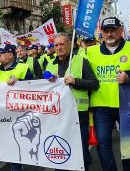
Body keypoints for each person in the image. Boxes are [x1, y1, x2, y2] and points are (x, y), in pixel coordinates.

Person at [87, 17, 130, 171]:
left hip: (128, 105)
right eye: (106, 31)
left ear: (121, 30)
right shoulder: (90, 51)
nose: (110, 34)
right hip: (101, 106)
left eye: (113, 30)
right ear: (101, 33)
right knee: (103, 143)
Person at [45, 33, 99, 171]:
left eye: (62, 44)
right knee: (61, 152)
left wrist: (76, 82)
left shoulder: (81, 61)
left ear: (70, 44)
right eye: (56, 45)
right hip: (58, 117)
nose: (59, 48)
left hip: (78, 116)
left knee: (80, 150)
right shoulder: (49, 64)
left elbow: (94, 84)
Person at [0, 44, 32, 171]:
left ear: (10, 55)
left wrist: (19, 82)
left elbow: (34, 88)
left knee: (14, 147)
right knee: (4, 147)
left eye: (2, 53)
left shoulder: (23, 67)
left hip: (16, 116)